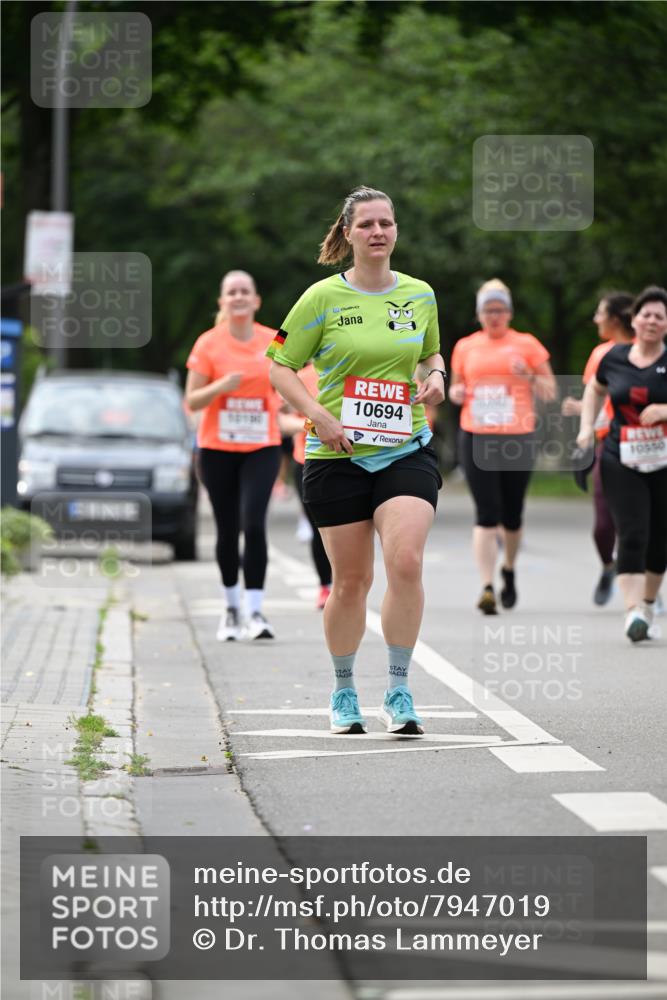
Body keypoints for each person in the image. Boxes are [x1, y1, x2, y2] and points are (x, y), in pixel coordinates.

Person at [267, 185, 446, 736]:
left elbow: (430, 353)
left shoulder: (419, 295)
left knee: (407, 562)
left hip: (403, 448)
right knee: (350, 582)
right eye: (366, 224)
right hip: (335, 453)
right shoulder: (322, 298)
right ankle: (344, 691)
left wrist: (436, 375)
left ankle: (398, 688)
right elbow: (278, 365)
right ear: (347, 233)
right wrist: (319, 416)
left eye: (385, 223)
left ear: (396, 230)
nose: (377, 232)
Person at [449, 279, 557, 615]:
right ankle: (487, 586)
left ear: (509, 312)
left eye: (499, 309)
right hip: (476, 434)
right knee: (486, 513)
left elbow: (550, 390)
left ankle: (508, 568)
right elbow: (456, 389)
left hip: (517, 436)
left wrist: (527, 376)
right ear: (479, 314)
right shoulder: (465, 347)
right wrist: (455, 395)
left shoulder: (527, 345)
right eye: (487, 310)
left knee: (512, 513)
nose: (494, 316)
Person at [185, 270, 282, 641]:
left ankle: (255, 611)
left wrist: (285, 399)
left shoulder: (274, 339)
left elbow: (292, 376)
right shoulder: (209, 343)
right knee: (227, 529)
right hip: (216, 450)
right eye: (232, 292)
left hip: (261, 446)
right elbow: (191, 400)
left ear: (256, 300)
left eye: (245, 291)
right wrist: (220, 386)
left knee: (254, 524)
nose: (239, 297)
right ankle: (230, 608)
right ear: (222, 302)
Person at [577, 285, 667, 642]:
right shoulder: (613, 357)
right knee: (632, 532)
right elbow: (595, 390)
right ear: (634, 318)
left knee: (659, 537)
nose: (651, 321)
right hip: (619, 455)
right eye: (646, 314)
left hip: (663, 460)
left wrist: (664, 410)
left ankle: (646, 602)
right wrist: (586, 427)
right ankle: (632, 612)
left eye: (660, 317)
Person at [561, 292, 634, 604]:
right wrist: (584, 417)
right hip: (610, 443)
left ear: (615, 319)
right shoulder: (602, 354)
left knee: (644, 519)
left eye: (600, 313)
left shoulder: (651, 353)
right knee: (603, 526)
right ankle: (609, 565)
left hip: (649, 443)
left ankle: (643, 583)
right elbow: (600, 396)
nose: (595, 319)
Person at [278, 362, 333, 610]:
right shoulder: (300, 378)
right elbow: (278, 419)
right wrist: (311, 424)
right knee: (319, 526)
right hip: (309, 460)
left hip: (352, 458)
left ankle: (348, 584)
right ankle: (325, 585)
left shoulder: (356, 369)